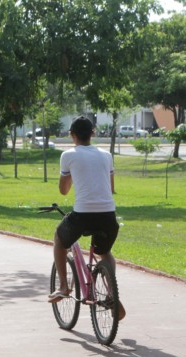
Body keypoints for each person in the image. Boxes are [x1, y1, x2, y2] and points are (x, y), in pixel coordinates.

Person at [48, 116, 124, 319]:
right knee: (105, 253)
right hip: (108, 215)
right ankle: (111, 292)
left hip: (82, 215)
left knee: (58, 240)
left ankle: (64, 287)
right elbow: (111, 187)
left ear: (72, 135)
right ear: (93, 133)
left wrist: (73, 174)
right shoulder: (106, 155)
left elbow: (64, 191)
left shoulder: (68, 155)